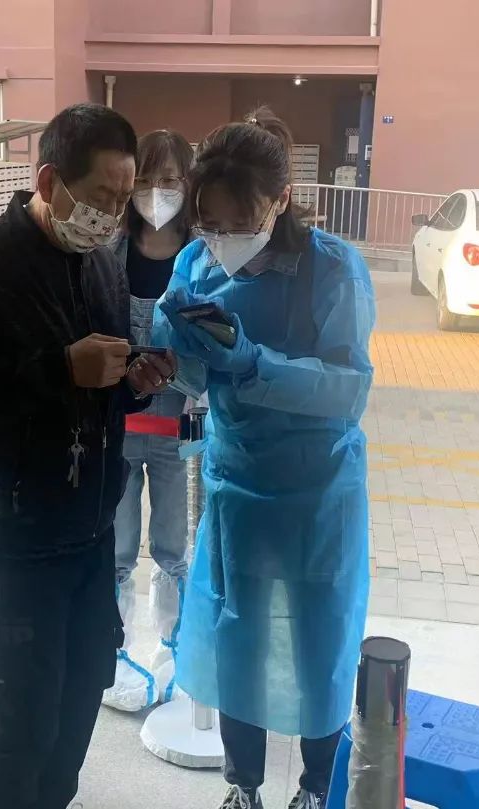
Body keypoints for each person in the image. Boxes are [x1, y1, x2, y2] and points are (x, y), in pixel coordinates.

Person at [0, 103, 177, 809]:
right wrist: (60, 368)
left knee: (81, 691)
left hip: (93, 527)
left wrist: (132, 383)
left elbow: (99, 382)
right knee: (20, 714)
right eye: (100, 197)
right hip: (19, 532)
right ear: (47, 180)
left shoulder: (101, 264)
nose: (112, 214)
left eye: (123, 199)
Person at [153, 107, 375, 809]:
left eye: (238, 223)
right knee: (237, 635)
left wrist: (254, 363)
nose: (222, 242)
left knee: (319, 640)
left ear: (281, 201)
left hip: (318, 489)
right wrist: (173, 350)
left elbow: (347, 389)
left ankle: (313, 786)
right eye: (208, 224)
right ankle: (242, 785)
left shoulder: (332, 269)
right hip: (236, 480)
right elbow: (194, 375)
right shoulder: (196, 263)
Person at [103, 129, 195, 712]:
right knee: (116, 548)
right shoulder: (106, 250)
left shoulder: (203, 256)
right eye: (145, 180)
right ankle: (112, 652)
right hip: (117, 427)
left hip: (178, 430)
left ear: (189, 185)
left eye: (169, 180)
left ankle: (175, 648)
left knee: (172, 545)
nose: (156, 192)